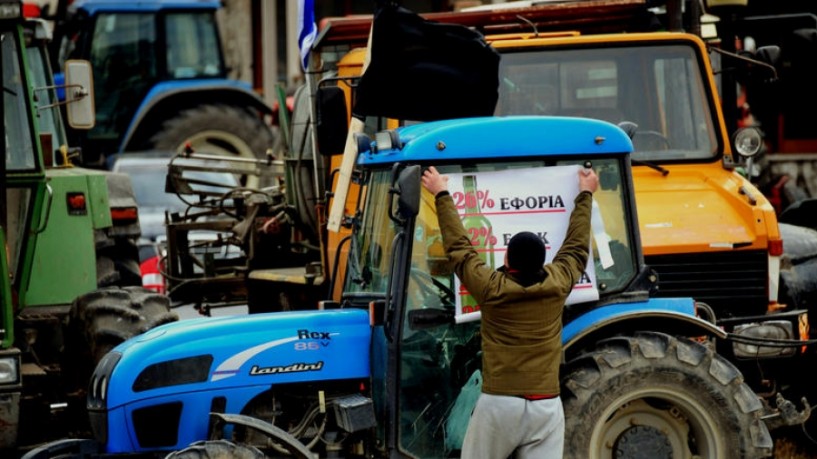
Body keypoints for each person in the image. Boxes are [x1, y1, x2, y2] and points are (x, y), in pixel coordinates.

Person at [420, 165, 599, 459]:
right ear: (544, 260)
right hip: (546, 405)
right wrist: (585, 194)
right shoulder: (558, 282)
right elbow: (577, 247)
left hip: (499, 404)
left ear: (505, 257)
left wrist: (441, 192)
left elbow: (459, 249)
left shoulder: (492, 288)